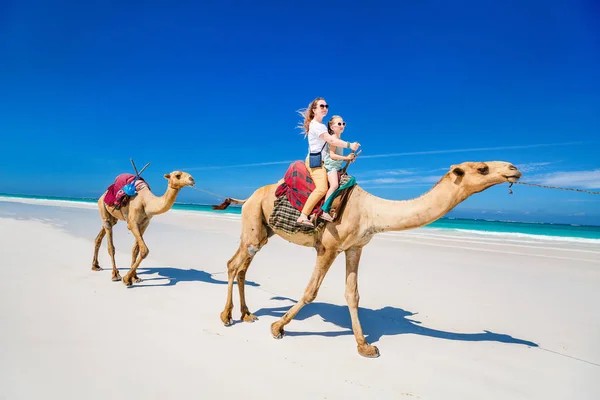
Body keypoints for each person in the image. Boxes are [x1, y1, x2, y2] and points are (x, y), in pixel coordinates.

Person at [296, 97, 360, 227]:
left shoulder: (320, 126)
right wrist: (350, 145)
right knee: (322, 188)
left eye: (326, 106)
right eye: (321, 106)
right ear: (314, 110)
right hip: (316, 162)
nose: (325, 108)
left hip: (324, 162)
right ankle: (303, 216)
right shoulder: (316, 126)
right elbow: (332, 141)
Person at [320, 115, 355, 222]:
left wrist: (349, 159)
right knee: (334, 185)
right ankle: (324, 210)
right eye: (339, 124)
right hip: (331, 167)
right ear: (331, 126)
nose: (342, 126)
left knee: (350, 181)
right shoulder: (333, 139)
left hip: (337, 167)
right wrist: (346, 158)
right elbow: (332, 155)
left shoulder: (339, 140)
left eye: (343, 123)